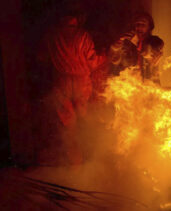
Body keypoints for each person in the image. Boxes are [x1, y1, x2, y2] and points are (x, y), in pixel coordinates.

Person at [37, 2, 106, 165]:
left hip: (61, 82)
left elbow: (41, 58)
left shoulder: (51, 35)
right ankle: (92, 159)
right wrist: (105, 56)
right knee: (84, 118)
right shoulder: (83, 35)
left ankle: (75, 163)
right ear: (78, 18)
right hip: (82, 82)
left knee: (68, 125)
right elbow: (92, 63)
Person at [109, 12, 164, 82]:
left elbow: (149, 54)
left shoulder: (156, 42)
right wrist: (116, 47)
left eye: (143, 24)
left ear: (149, 27)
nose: (139, 27)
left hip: (150, 86)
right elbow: (115, 62)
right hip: (129, 87)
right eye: (137, 24)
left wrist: (136, 41)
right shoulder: (127, 44)